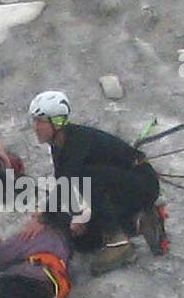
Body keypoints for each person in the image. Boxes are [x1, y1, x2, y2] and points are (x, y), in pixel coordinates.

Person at [19, 91, 165, 276]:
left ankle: (118, 242)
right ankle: (137, 221)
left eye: (40, 121)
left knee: (85, 176)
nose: (35, 127)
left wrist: (43, 218)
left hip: (142, 183)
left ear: (57, 122)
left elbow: (67, 183)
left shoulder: (78, 141)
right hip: (121, 189)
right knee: (82, 241)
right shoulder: (59, 145)